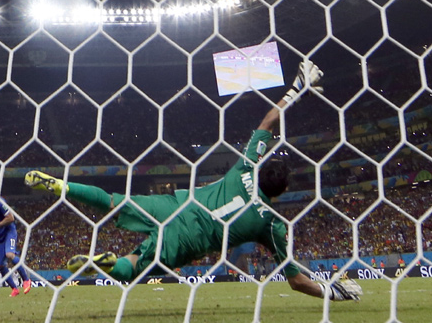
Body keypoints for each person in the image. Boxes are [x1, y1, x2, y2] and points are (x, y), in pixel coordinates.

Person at [25, 61, 363, 302]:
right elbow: (297, 281)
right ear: (283, 191)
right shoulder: (271, 226)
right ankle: (107, 264)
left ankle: (64, 186)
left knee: (112, 200)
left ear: (261, 169)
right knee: (134, 267)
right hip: (189, 238)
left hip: (176, 205)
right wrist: (333, 291)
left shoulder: (245, 168)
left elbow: (268, 121)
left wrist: (296, 90)